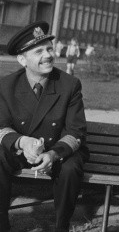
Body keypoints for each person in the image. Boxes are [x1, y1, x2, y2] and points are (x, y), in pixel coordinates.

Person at [0, 21, 89, 232]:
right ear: (22, 59)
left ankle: (61, 225)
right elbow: (1, 126)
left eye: (50, 48)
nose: (48, 55)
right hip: (22, 150)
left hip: (57, 149)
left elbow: (76, 131)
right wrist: (22, 141)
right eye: (39, 51)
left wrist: (52, 155)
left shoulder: (69, 84)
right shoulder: (6, 85)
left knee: (70, 167)